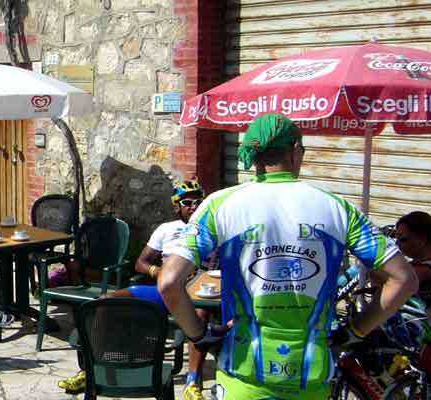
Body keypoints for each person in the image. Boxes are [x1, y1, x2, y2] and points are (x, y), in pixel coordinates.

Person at [158, 114, 417, 399]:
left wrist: (199, 335)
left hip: (242, 373)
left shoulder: (220, 204)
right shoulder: (338, 207)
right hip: (310, 376)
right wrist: (356, 331)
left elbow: (169, 281)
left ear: (254, 157)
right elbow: (404, 280)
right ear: (295, 150)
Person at [57, 180, 213, 399]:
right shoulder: (166, 229)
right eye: (187, 202)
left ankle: (193, 382)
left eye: (199, 202)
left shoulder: (211, 229)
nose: (194, 207)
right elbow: (141, 263)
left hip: (195, 292)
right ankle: (89, 370)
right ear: (176, 206)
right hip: (163, 290)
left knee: (201, 313)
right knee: (104, 302)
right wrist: (160, 273)